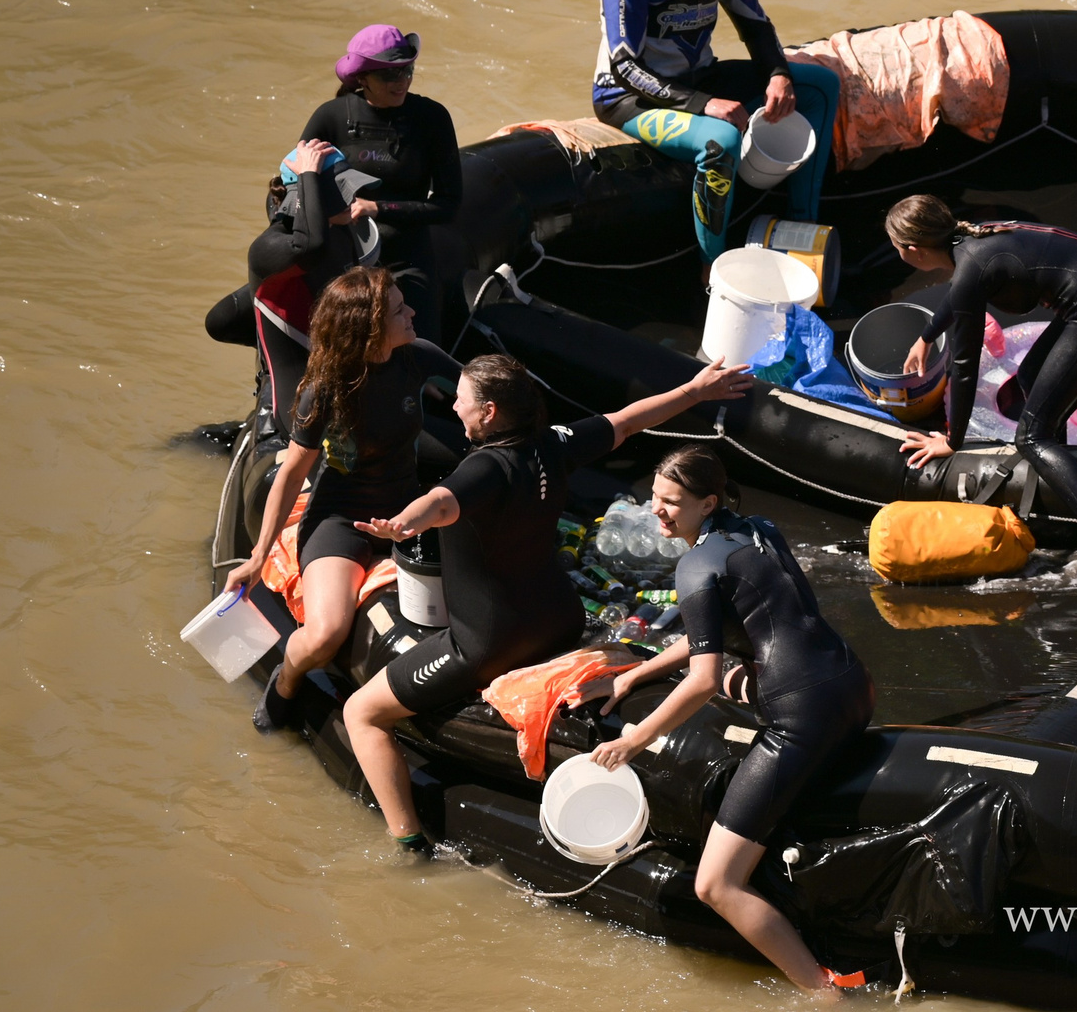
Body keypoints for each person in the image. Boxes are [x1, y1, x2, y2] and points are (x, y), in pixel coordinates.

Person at [340, 361, 756, 845]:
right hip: (559, 619)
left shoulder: (484, 465)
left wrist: (401, 525)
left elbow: (440, 502)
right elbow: (626, 420)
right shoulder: (554, 442)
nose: (454, 406)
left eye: (461, 398)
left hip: (489, 644)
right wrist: (693, 390)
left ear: (489, 412)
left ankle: (407, 840)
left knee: (361, 713)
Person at [590, 443, 874, 995]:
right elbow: (719, 636)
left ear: (707, 502)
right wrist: (636, 674)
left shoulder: (695, 562)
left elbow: (700, 678)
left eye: (671, 501)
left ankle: (825, 994)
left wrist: (636, 739)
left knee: (716, 884)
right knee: (735, 676)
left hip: (801, 716)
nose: (656, 511)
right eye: (654, 497)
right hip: (852, 686)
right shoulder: (759, 528)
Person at [227, 266, 459, 732]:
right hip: (341, 520)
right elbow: (292, 472)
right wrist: (258, 556)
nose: (412, 312)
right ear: (369, 328)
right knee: (326, 634)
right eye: (398, 309)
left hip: (406, 512)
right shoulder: (325, 389)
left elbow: (484, 390)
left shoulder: (416, 357)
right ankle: (286, 682)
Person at [882, 196, 1077, 576]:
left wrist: (951, 440)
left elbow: (963, 365)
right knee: (1030, 374)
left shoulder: (971, 266)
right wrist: (927, 336)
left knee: (1031, 438)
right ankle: (1065, 475)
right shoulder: (974, 238)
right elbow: (962, 294)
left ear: (912, 251)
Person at [593, 0, 843, 265]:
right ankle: (714, 270)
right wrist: (702, 104)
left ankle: (801, 230)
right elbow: (625, 65)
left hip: (700, 78)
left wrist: (779, 75)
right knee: (720, 141)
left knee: (820, 87)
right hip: (630, 96)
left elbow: (755, 24)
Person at [299, 25, 462, 338]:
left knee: (421, 349)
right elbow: (291, 183)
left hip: (407, 255)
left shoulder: (432, 118)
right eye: (390, 76)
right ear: (362, 78)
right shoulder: (331, 117)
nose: (402, 82)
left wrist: (378, 207)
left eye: (408, 71)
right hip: (345, 258)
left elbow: (448, 205)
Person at [210, 138, 383, 432]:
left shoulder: (342, 232)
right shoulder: (268, 249)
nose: (354, 200)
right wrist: (307, 175)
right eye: (340, 191)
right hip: (301, 410)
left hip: (349, 381)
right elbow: (311, 246)